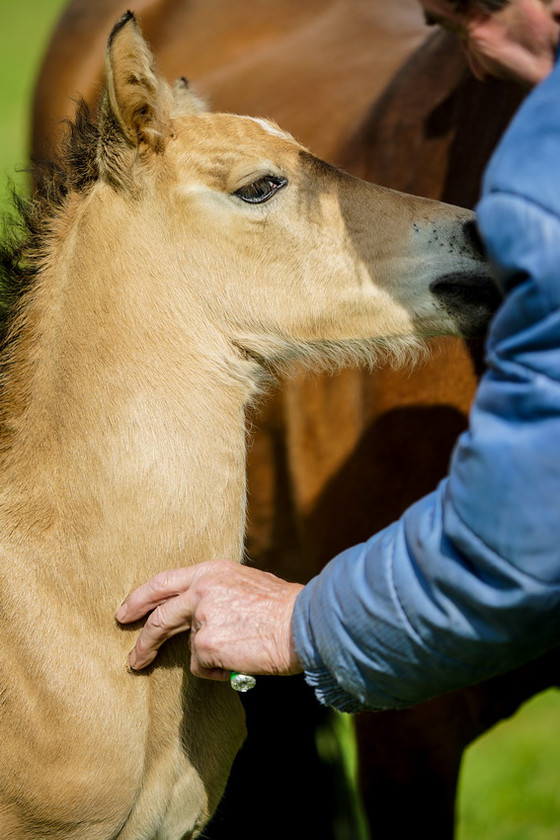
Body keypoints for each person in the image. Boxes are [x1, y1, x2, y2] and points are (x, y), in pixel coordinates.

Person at [116, 0, 560, 712]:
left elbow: (527, 529)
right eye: (450, 26)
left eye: (478, 12)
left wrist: (300, 624)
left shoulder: (541, 175)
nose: (472, 60)